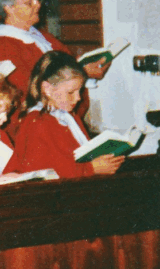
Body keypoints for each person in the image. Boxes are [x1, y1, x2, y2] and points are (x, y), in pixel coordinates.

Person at [0, 0, 109, 116]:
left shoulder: (42, 36)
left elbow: (67, 68)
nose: (38, 5)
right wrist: (83, 73)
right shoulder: (2, 48)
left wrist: (84, 70)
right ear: (9, 8)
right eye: (30, 2)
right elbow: (28, 94)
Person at [11, 51, 125, 180]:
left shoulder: (69, 116)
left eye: (80, 91)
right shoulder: (36, 122)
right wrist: (91, 168)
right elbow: (41, 173)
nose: (78, 98)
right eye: (71, 92)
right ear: (47, 89)